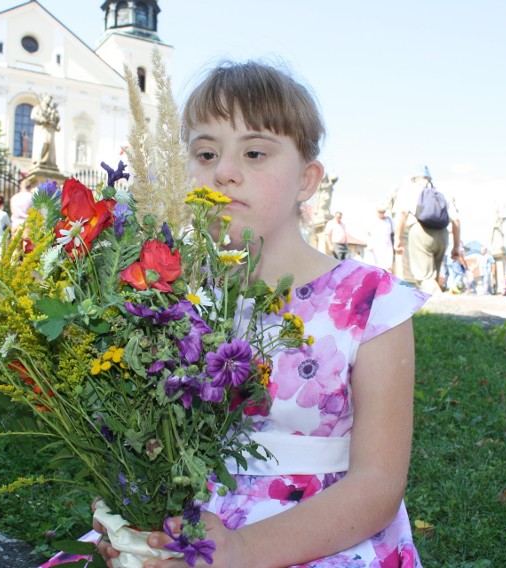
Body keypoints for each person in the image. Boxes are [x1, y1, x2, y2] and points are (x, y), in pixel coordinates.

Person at [84, 60, 427, 567]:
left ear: (307, 180)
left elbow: (377, 485)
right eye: (205, 152)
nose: (224, 170)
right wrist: (131, 511)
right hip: (187, 533)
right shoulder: (166, 298)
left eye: (254, 152)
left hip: (321, 535)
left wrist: (244, 551)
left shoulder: (370, 302)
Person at [393, 171, 461, 295]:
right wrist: (456, 246)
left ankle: (440, 305)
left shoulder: (410, 190)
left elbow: (402, 213)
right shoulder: (442, 191)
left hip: (421, 231)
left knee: (424, 276)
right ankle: (436, 306)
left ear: (414, 179)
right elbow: (456, 220)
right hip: (443, 233)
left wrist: (397, 238)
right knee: (434, 274)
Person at [30, 93, 61, 168]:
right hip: (42, 128)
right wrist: (42, 119)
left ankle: (49, 162)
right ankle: (39, 160)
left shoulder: (52, 110)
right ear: (44, 98)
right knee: (43, 143)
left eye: (50, 99)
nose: (49, 100)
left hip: (50, 129)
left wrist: (55, 118)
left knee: (51, 146)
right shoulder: (38, 108)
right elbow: (33, 116)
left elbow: (56, 119)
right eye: (48, 98)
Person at [367, 206, 394, 272]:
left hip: (387, 247)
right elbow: (368, 233)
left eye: (383, 212)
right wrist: (369, 244)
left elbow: (393, 232)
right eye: (380, 212)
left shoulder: (389, 220)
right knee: (375, 268)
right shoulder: (373, 220)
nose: (381, 213)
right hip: (376, 248)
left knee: (388, 267)